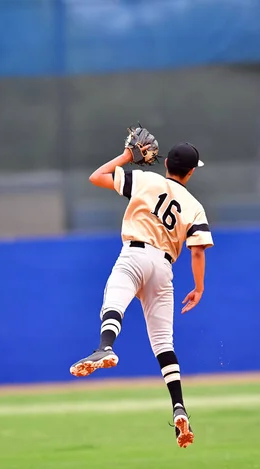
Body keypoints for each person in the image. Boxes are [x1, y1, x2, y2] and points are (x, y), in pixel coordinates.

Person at [69, 131, 214, 449]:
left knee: (115, 300)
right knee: (164, 343)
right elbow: (199, 250)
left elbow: (97, 177)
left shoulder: (146, 180)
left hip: (135, 252)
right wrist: (199, 288)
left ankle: (106, 346)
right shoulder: (194, 205)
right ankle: (179, 406)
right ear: (190, 172)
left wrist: (126, 156)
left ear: (167, 166)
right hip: (164, 269)